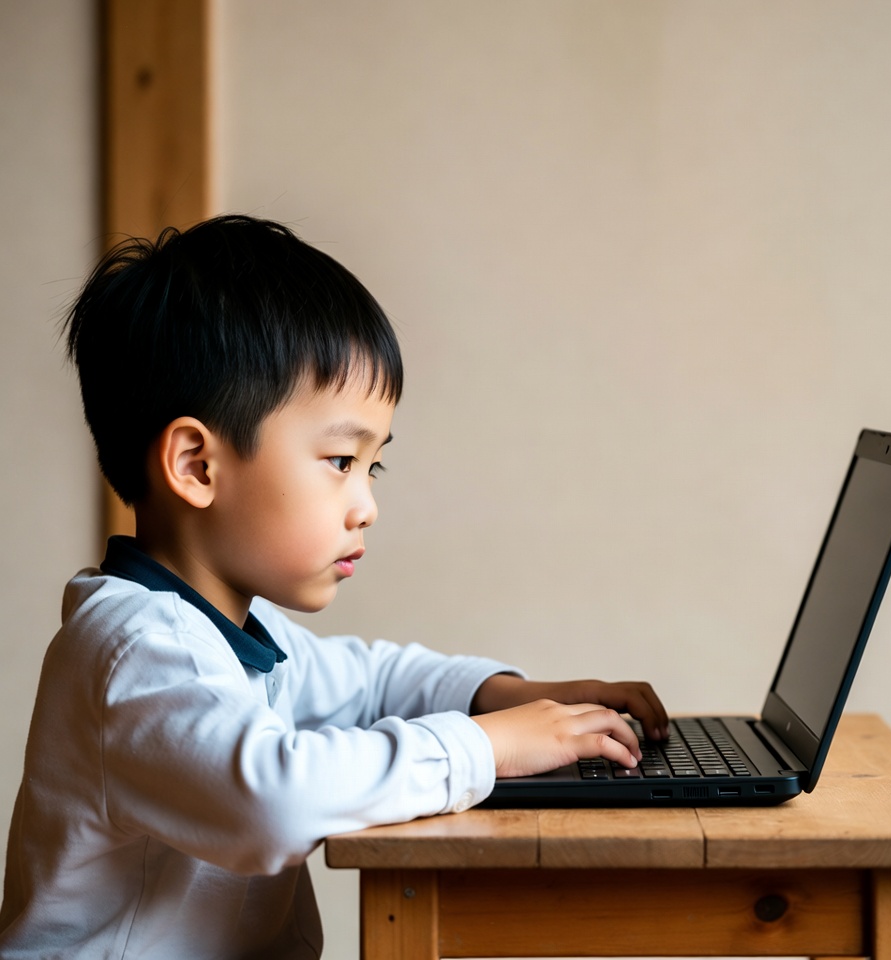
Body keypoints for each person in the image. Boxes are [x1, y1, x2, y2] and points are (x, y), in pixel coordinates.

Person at [0, 215, 667, 958]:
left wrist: (510, 697)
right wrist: (486, 747)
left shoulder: (237, 634)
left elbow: (376, 680)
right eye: (341, 461)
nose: (367, 505)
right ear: (196, 466)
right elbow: (275, 801)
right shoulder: (137, 652)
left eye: (372, 467)